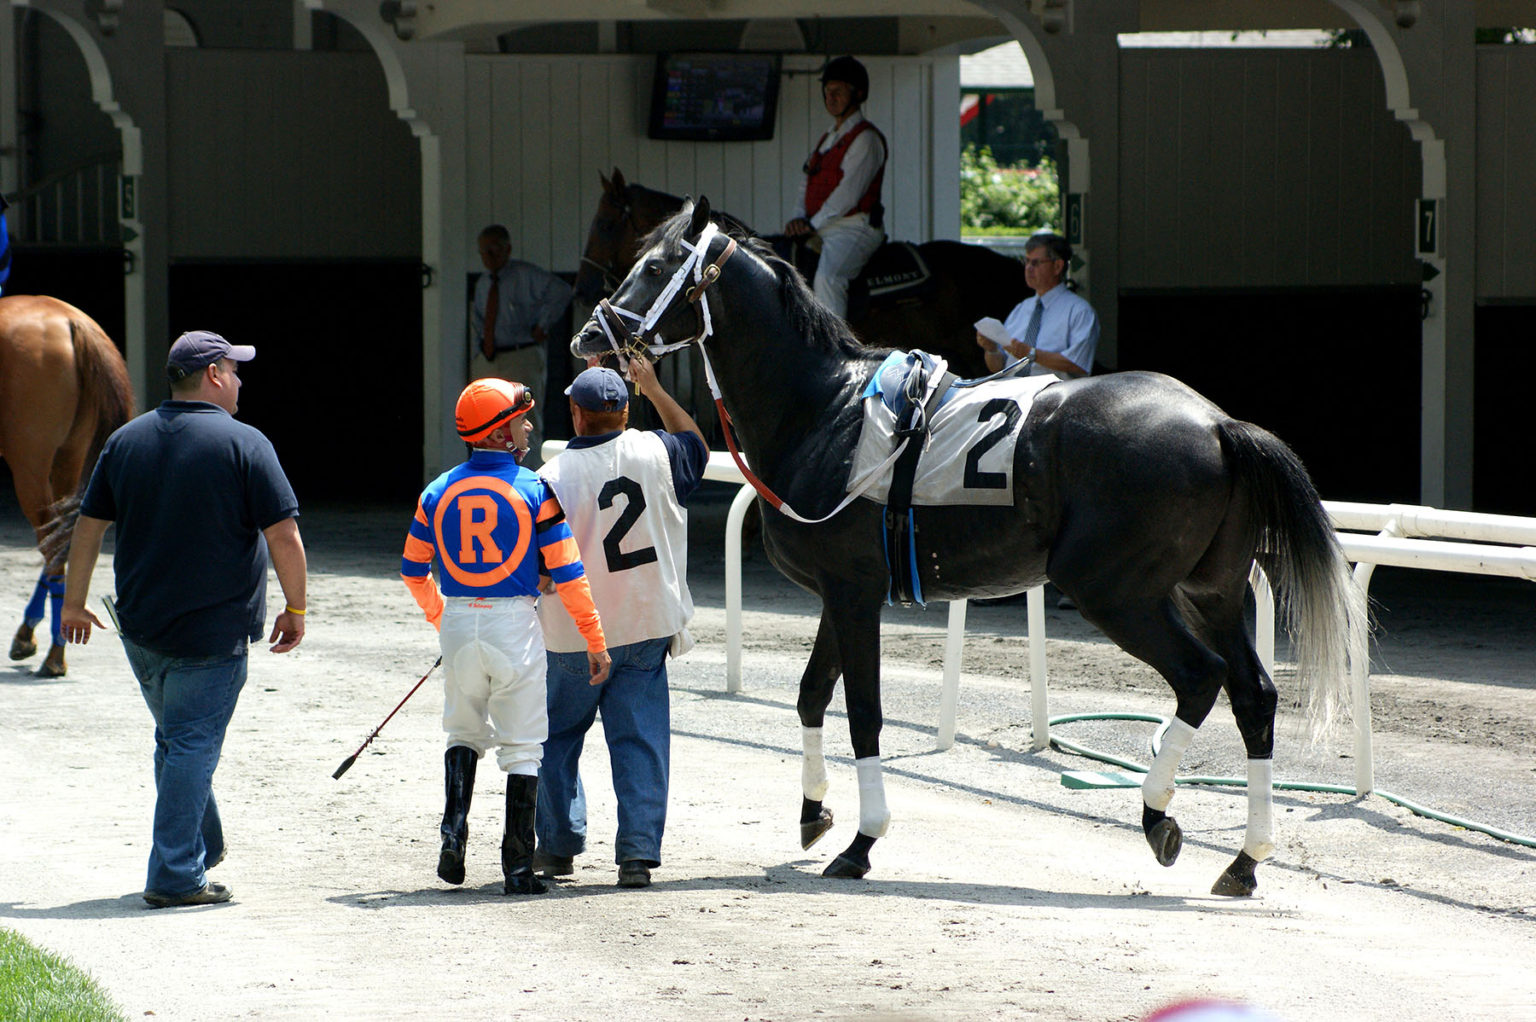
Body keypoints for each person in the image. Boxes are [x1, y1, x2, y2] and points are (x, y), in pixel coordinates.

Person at [59, 330, 307, 909]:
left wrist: (73, 602)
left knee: (176, 741)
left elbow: (89, 527)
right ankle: (174, 874)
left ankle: (200, 844)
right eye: (236, 371)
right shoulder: (246, 443)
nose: (242, 381)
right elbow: (285, 535)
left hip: (141, 632)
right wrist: (296, 607)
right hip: (211, 635)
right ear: (215, 374)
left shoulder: (125, 441)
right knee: (191, 744)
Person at [401, 377, 611, 896]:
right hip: (513, 623)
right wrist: (594, 637)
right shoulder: (534, 489)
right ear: (498, 432)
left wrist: (440, 620)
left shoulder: (437, 489)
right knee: (523, 748)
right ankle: (516, 866)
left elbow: (411, 569)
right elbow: (568, 573)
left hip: (458, 619)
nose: (528, 427)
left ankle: (453, 837)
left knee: (463, 734)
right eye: (520, 420)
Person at [533, 360, 707, 889]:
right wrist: (653, 386)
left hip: (572, 634)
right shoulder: (657, 450)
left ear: (575, 415)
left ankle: (559, 847)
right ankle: (637, 854)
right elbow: (693, 439)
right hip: (646, 621)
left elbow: (539, 572)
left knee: (557, 737)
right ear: (626, 411)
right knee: (640, 738)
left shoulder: (550, 477)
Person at [783, 55, 887, 318]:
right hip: (823, 225)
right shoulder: (828, 138)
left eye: (838, 92)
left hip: (854, 227)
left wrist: (811, 224)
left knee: (829, 278)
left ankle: (835, 349)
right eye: (827, 92)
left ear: (858, 94)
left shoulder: (866, 139)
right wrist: (798, 218)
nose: (830, 98)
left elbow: (848, 195)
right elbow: (805, 184)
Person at [469, 224, 573, 468]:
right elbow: (477, 320)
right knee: (486, 419)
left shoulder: (526, 275)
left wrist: (543, 325)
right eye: (484, 252)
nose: (489, 257)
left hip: (521, 354)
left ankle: (530, 476)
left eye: (494, 250)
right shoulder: (484, 283)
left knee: (527, 420)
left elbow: (562, 291)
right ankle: (489, 473)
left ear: (507, 250)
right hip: (490, 357)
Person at [976, 232, 1100, 381]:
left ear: (1057, 266)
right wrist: (991, 350)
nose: (1028, 268)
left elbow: (1078, 363)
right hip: (1013, 395)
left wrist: (1032, 354)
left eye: (1035, 263)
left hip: (1055, 398)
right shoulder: (1021, 309)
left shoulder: (1079, 311)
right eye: (1026, 261)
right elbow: (999, 366)